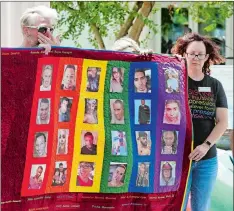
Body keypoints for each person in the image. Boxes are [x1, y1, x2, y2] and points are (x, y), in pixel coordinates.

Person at [171, 33, 228, 211]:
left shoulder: (215, 85)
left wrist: (206, 145)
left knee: (200, 207)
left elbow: (222, 122)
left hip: (206, 160)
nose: (195, 58)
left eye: (200, 54)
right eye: (192, 53)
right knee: (175, 206)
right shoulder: (173, 83)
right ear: (184, 54)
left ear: (206, 57)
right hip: (177, 158)